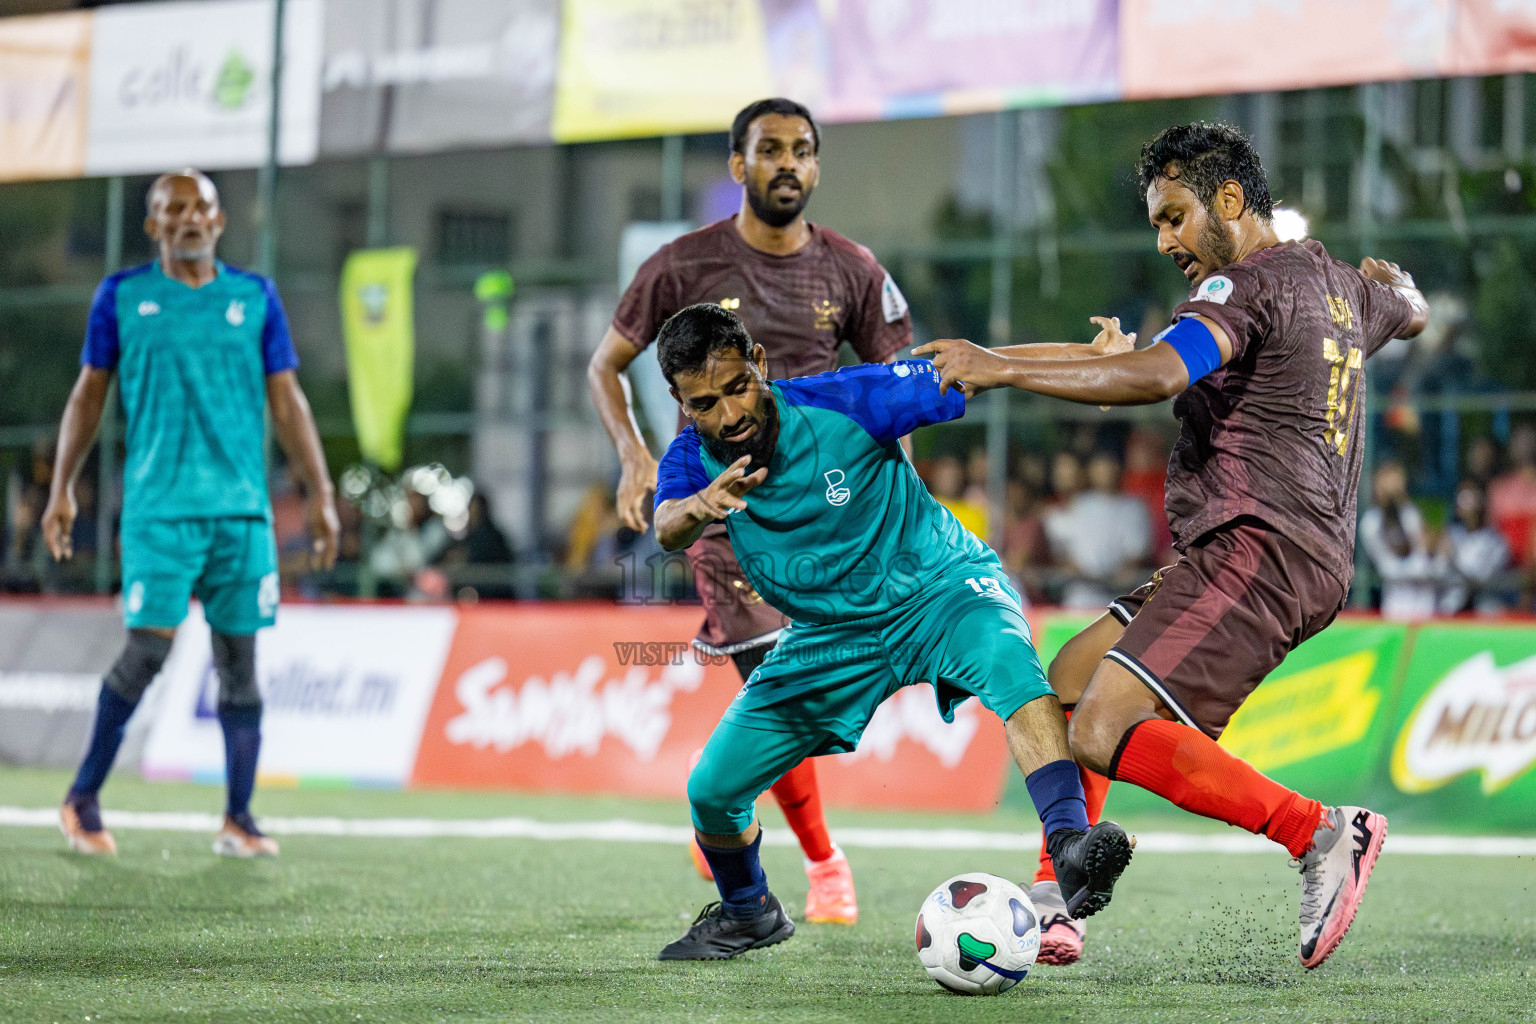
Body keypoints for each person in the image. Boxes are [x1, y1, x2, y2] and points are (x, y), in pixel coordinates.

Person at [917, 121, 1428, 970]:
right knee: (1071, 688)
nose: (1165, 240)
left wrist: (998, 367)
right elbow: (1404, 309)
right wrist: (1403, 295)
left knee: (1104, 727)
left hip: (1262, 546)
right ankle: (1059, 896)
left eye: (1177, 215)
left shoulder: (1247, 287)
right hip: (1258, 549)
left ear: (1231, 201)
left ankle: (1322, 833)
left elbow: (1156, 377)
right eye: (1158, 221)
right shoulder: (1339, 285)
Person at [648, 303, 1133, 960]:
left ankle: (1070, 847)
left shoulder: (847, 400)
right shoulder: (688, 461)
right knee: (712, 790)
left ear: (759, 365)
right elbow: (667, 523)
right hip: (831, 635)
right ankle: (747, 911)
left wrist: (1096, 358)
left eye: (738, 387)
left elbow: (976, 367)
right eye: (705, 403)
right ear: (681, 402)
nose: (730, 414)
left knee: (1013, 665)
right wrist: (698, 507)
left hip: (939, 588)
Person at [586, 97, 914, 924]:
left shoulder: (853, 270)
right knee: (777, 682)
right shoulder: (682, 265)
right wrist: (633, 456)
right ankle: (822, 861)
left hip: (831, 522)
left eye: (803, 151)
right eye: (770, 150)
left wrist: (909, 511)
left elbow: (899, 394)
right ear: (738, 165)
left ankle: (725, 807)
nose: (788, 165)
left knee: (826, 689)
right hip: (724, 520)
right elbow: (606, 366)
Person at [43, 170, 339, 858]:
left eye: (199, 206)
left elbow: (288, 400)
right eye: (171, 209)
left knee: (240, 663)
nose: (187, 217)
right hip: (159, 512)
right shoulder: (122, 296)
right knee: (148, 650)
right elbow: (88, 395)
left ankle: (239, 817)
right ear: (152, 226)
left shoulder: (255, 297)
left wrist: (319, 493)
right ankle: (81, 798)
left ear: (220, 220)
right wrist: (64, 486)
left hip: (241, 514)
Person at [1043, 451, 1151, 610]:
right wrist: (1076, 569)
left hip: (1120, 600)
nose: (1105, 470)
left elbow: (1136, 556)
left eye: (1110, 464)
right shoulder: (1077, 505)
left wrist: (1114, 578)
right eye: (1101, 465)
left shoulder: (1133, 507)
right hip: (1078, 598)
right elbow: (1061, 550)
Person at [1358, 460, 1442, 619]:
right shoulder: (1372, 522)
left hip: (1426, 605)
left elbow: (1429, 557)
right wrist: (1422, 565)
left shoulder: (1411, 514)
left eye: (1398, 479)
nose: (1395, 485)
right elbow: (1389, 567)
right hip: (1397, 607)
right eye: (1389, 480)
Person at [1441, 478, 1511, 615]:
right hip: (1450, 611)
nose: (1463, 503)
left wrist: (1452, 559)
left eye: (1469, 497)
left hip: (1482, 613)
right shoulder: (1452, 535)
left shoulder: (1495, 541)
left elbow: (1480, 580)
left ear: (1481, 501)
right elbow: (1438, 572)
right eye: (1460, 497)